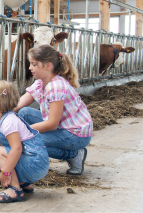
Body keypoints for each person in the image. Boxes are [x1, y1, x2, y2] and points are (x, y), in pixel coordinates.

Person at [14, 44, 93, 176]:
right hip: (64, 126)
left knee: (30, 140)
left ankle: (74, 154)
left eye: (33, 64)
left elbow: (52, 124)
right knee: (24, 112)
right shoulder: (41, 82)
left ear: (48, 66)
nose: (30, 68)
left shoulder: (56, 86)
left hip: (76, 134)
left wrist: (25, 133)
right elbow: (17, 105)